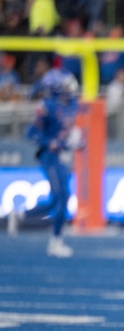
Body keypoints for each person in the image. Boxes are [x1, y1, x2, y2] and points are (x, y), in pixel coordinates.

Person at [8, 68, 82, 257]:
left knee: (59, 200)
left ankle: (22, 216)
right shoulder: (48, 106)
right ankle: (55, 242)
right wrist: (49, 142)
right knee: (61, 196)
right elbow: (30, 133)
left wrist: (77, 142)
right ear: (56, 88)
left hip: (63, 156)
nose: (70, 88)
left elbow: (68, 132)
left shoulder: (70, 104)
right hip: (50, 157)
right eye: (65, 85)